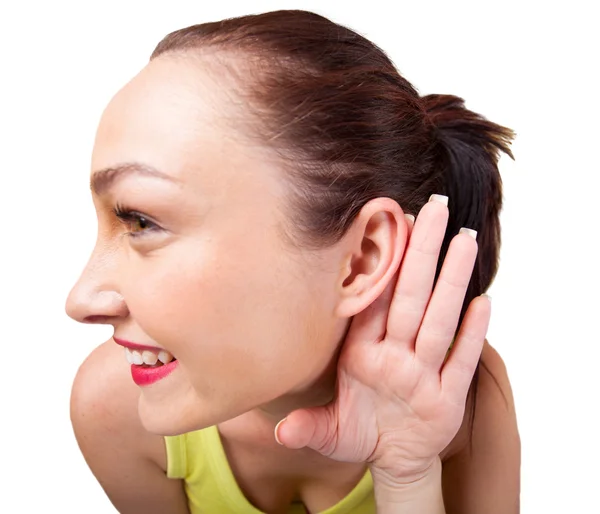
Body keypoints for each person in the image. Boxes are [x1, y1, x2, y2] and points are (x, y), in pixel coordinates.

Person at [66, 9, 520, 514]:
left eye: (142, 221)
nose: (82, 300)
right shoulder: (114, 408)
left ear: (362, 259)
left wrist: (407, 472)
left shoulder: (463, 401)